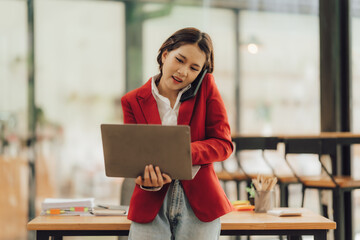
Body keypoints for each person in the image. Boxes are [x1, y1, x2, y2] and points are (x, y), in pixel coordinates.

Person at [121, 27, 234, 240]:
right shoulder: (132, 101)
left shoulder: (206, 89)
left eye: (194, 68)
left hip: (199, 202)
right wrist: (145, 179)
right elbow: (133, 157)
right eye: (179, 60)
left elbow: (224, 144)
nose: (183, 72)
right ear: (165, 55)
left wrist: (181, 152)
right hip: (150, 201)